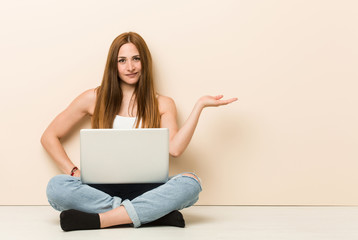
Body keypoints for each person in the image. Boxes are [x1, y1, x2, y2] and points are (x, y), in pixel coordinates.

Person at [41, 32, 237, 231]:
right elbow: (49, 137)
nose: (130, 67)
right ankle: (150, 215)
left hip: (148, 188)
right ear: (113, 65)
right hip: (100, 188)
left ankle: (102, 220)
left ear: (145, 61)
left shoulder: (163, 103)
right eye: (122, 60)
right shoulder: (93, 98)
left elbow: (176, 150)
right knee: (56, 187)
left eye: (136, 59)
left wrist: (199, 106)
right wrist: (74, 171)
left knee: (191, 183)